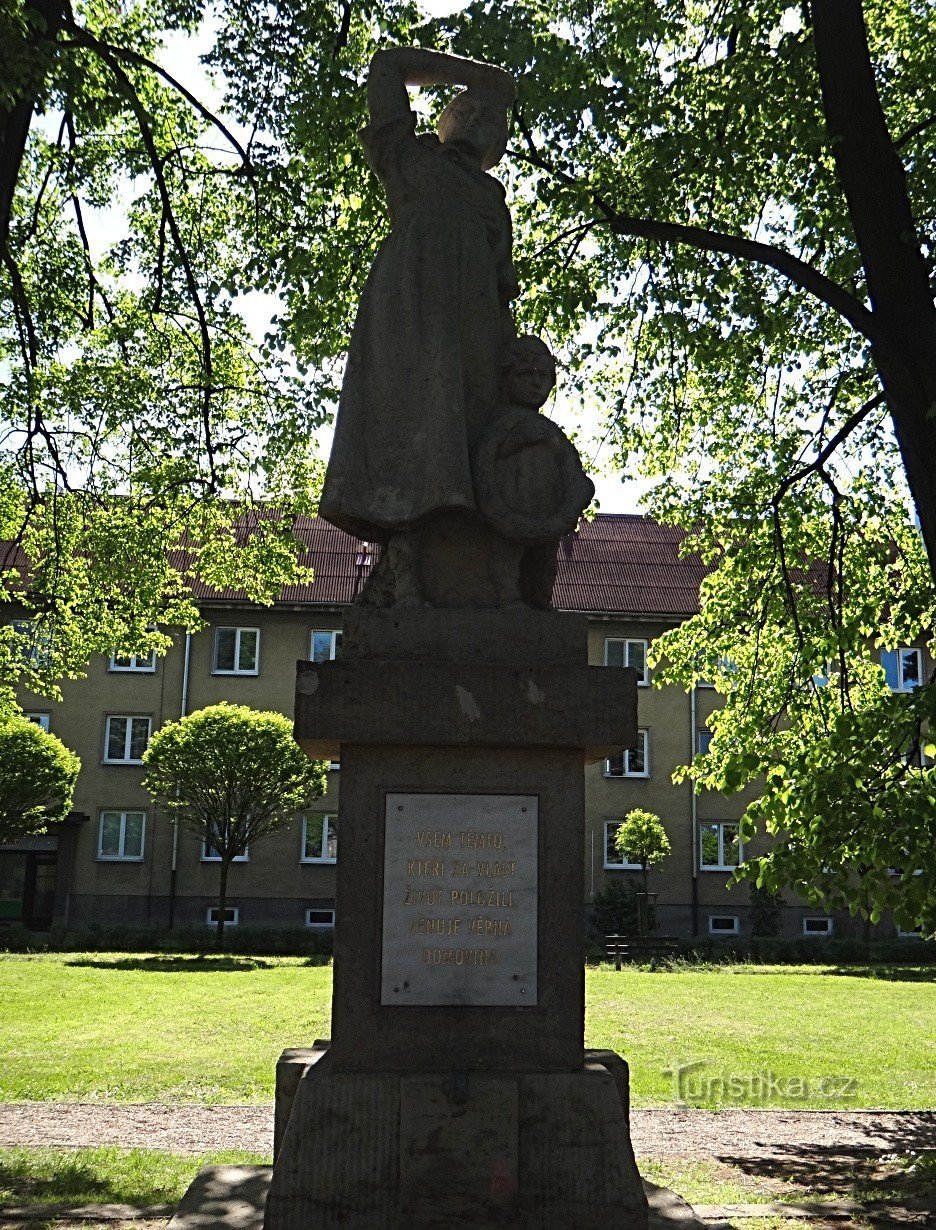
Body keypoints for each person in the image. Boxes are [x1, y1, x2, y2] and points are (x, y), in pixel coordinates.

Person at [318, 47, 519, 543]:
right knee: (400, 412)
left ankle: (464, 539)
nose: (475, 120)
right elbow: (386, 66)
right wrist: (479, 73)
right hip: (406, 303)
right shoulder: (408, 156)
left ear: (499, 142)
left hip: (474, 318)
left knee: (468, 419)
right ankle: (403, 542)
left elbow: (503, 284)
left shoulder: (493, 198)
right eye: (465, 110)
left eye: (489, 119)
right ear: (444, 120)